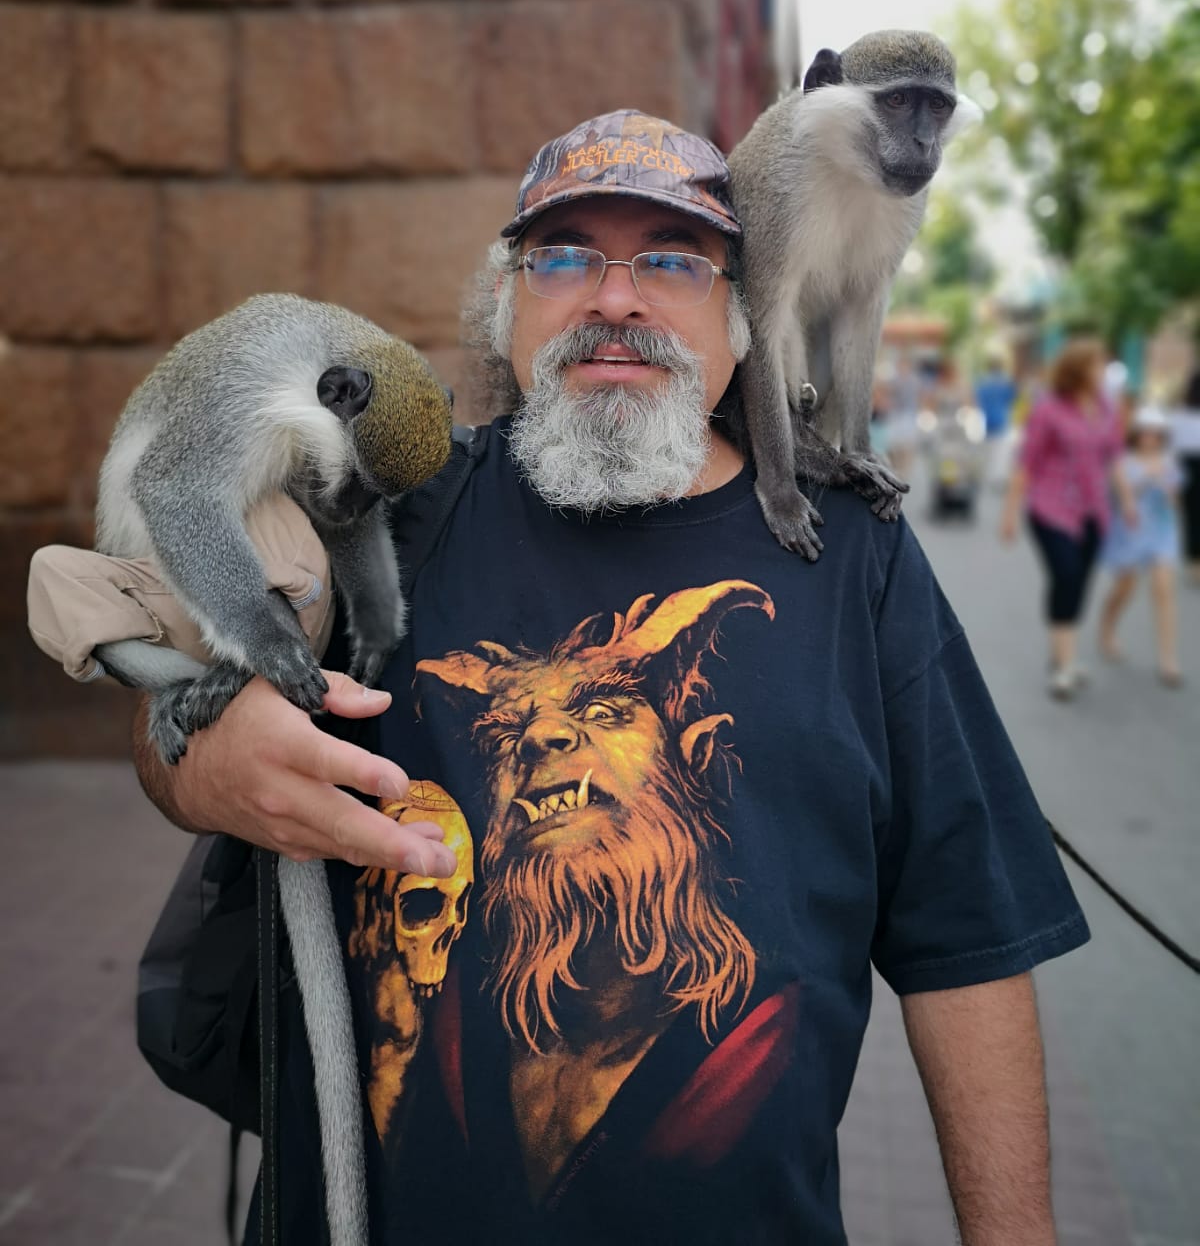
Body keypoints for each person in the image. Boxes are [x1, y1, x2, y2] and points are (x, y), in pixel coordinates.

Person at [131, 110, 1087, 1246]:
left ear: (744, 311)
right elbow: (169, 724)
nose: (616, 300)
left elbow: (968, 942)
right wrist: (204, 770)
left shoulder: (852, 559)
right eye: (565, 257)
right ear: (509, 304)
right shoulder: (390, 506)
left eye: (674, 260)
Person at [1000, 337, 1131, 700]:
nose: (1103, 371)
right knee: (1067, 576)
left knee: (1080, 583)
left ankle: (1062, 652)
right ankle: (1063, 667)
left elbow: (1114, 457)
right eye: (1097, 364)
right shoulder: (1048, 409)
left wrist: (1127, 501)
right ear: (1078, 369)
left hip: (1093, 510)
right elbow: (1027, 462)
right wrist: (1010, 513)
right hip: (1050, 508)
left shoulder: (1105, 407)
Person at [1098, 405, 1185, 686]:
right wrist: (1144, 482)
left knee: (1163, 589)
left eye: (1156, 433)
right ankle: (1107, 626)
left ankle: (1168, 659)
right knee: (1126, 587)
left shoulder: (1169, 462)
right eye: (1146, 432)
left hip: (1162, 532)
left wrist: (1167, 486)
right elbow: (1124, 497)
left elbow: (1175, 500)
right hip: (1131, 532)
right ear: (1136, 434)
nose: (1150, 438)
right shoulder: (1122, 462)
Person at [1169, 366, 1200, 586]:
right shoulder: (1181, 414)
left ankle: (1194, 563)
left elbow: (1172, 449)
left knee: (1192, 518)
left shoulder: (1179, 414)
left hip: (1187, 467)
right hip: (1189, 466)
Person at [974, 355, 1018, 489]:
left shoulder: (983, 383)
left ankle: (987, 476)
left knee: (987, 451)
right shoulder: (1005, 383)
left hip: (986, 420)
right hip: (1001, 419)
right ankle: (997, 478)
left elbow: (977, 400)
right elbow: (1012, 399)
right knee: (999, 452)